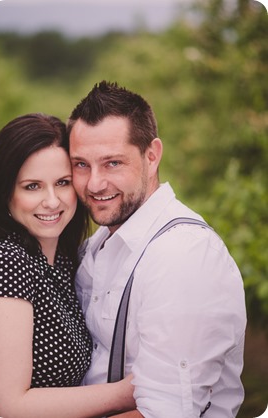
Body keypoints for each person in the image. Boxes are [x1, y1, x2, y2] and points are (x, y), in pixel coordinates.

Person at [67, 81, 247, 418]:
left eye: (112, 164)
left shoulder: (182, 254)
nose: (94, 184)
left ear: (152, 156)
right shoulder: (96, 247)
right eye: (81, 165)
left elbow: (164, 412)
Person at [0, 113, 135, 418]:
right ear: (6, 193)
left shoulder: (67, 260)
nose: (52, 201)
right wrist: (129, 392)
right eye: (32, 187)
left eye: (63, 183)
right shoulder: (6, 260)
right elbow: (8, 403)